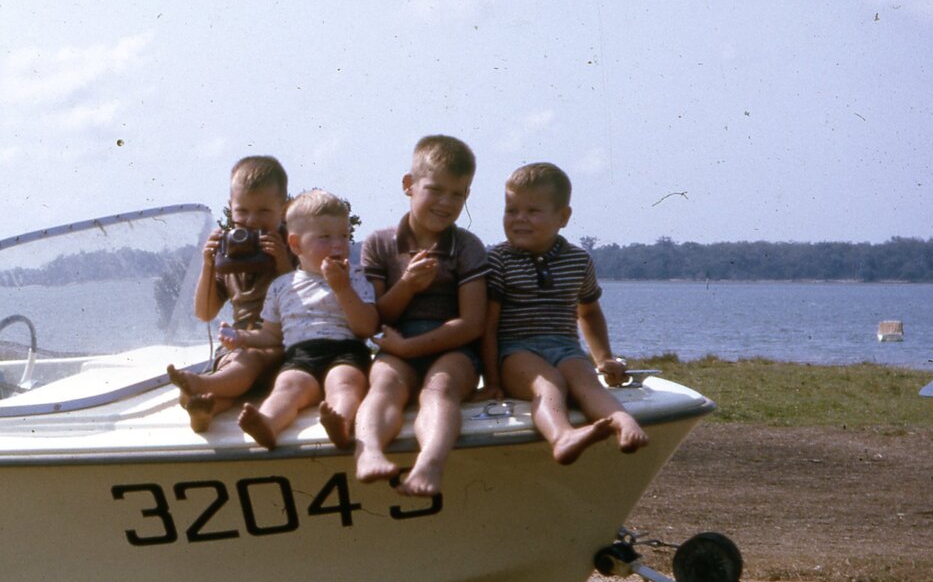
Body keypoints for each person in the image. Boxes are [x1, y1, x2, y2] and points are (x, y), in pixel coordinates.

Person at [480, 162, 649, 461]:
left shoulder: (578, 261)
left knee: (585, 379)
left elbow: (590, 312)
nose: (519, 219)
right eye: (511, 210)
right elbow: (488, 325)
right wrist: (492, 380)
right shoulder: (498, 260)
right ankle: (561, 436)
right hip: (515, 353)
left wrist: (604, 358)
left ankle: (622, 422)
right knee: (549, 383)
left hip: (564, 347)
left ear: (563, 217)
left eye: (532, 211)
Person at [353, 134, 488, 498]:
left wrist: (411, 348)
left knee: (440, 389)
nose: (446, 202)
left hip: (453, 347)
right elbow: (377, 316)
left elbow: (473, 323)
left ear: (467, 196)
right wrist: (408, 286)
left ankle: (429, 464)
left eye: (458, 194)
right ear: (409, 185)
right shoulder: (379, 243)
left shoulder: (468, 247)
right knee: (383, 385)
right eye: (436, 190)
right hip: (395, 344)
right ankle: (368, 453)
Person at [219, 189, 380, 450]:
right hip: (300, 356)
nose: (338, 244)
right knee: (286, 387)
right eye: (325, 237)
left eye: (344, 235)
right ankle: (268, 424)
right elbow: (271, 335)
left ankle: (341, 421)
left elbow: (366, 328)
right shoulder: (282, 286)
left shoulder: (355, 277)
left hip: (346, 352)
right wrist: (241, 337)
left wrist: (342, 288)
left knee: (344, 384)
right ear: (295, 245)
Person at [166, 155, 292, 431]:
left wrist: (283, 263)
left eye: (264, 212)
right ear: (229, 208)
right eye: (242, 211)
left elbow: (300, 302)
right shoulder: (229, 252)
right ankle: (204, 409)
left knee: (246, 361)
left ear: (283, 209)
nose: (252, 221)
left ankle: (198, 384)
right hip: (238, 347)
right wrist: (209, 264)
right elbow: (204, 312)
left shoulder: (294, 246)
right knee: (236, 365)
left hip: (281, 346)